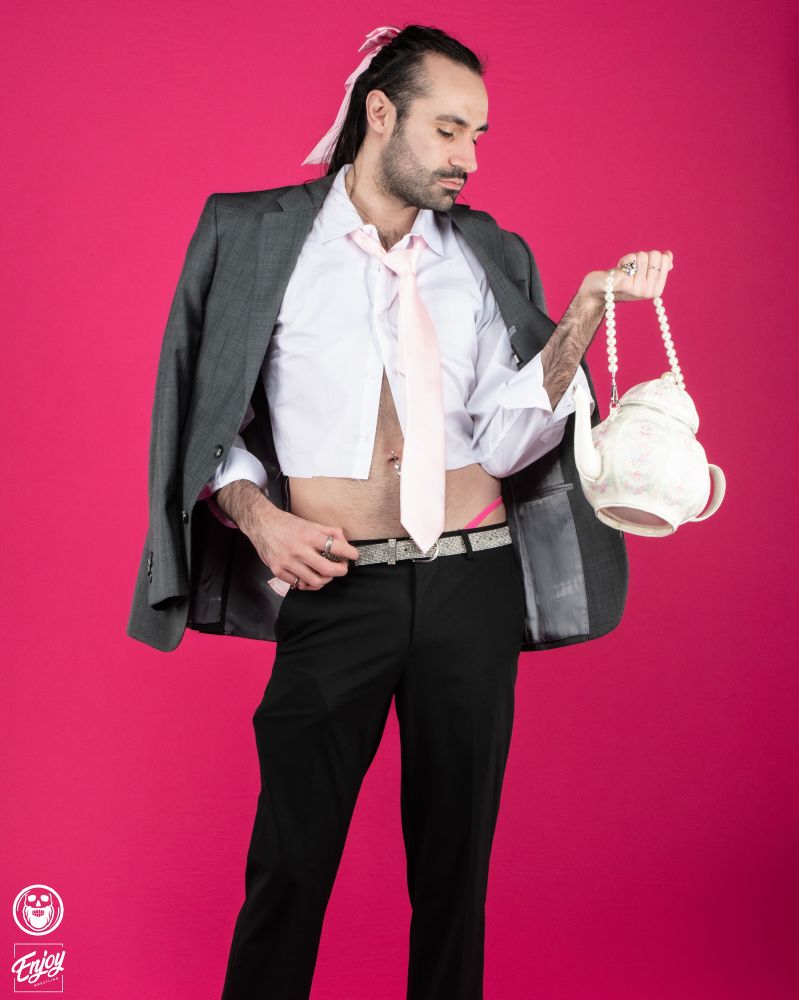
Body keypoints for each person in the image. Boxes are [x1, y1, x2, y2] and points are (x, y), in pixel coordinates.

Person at [126, 23, 673, 1000]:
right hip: (339, 587)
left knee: (455, 876)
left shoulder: (486, 252)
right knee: (290, 865)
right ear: (380, 114)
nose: (469, 158)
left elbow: (506, 440)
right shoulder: (253, 234)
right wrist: (259, 518)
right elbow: (209, 413)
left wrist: (583, 314)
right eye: (448, 130)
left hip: (472, 580)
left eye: (479, 136)